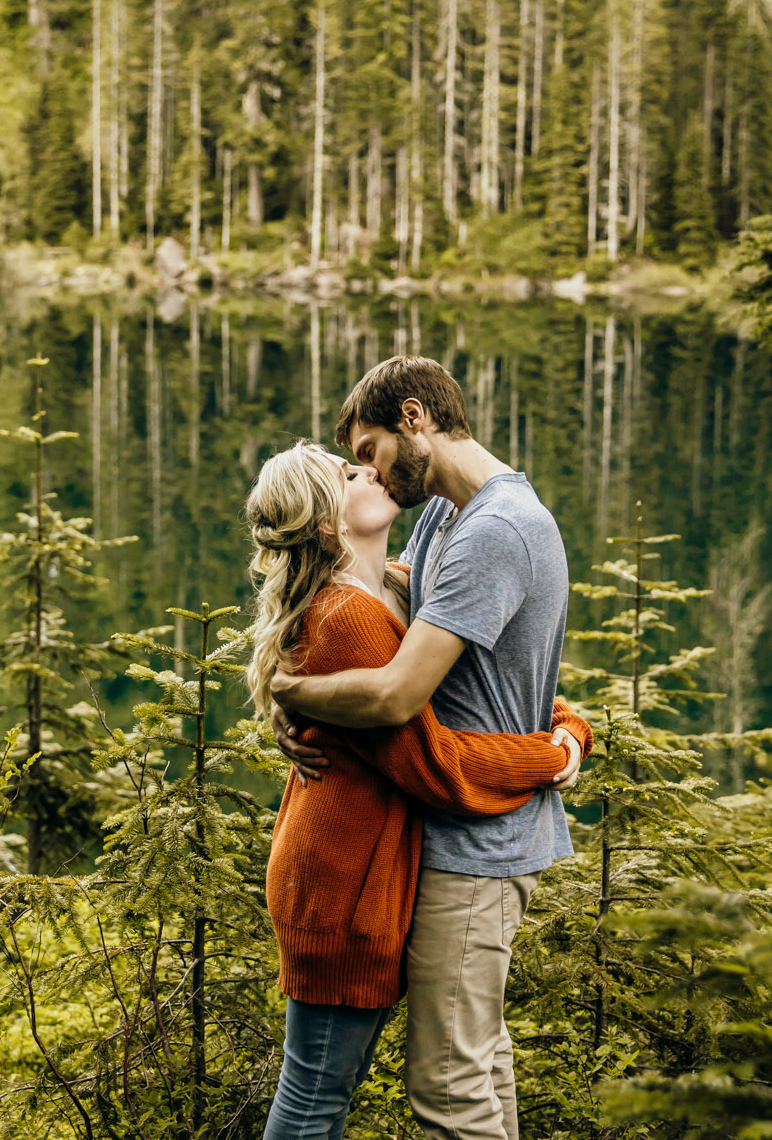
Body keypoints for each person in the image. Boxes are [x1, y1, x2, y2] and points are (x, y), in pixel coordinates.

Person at [269, 357, 582, 1140]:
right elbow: (475, 651)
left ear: (415, 419)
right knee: (473, 1063)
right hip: (454, 829)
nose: (370, 469)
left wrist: (291, 693)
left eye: (369, 448)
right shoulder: (447, 515)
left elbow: (397, 693)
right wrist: (564, 732)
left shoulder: (495, 530)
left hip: (480, 838)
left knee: (449, 1079)